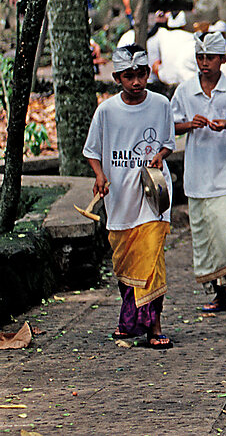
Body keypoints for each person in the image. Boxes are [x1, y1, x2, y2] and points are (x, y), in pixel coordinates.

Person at [82, 45, 175, 349]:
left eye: (141, 75)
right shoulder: (106, 111)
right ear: (117, 77)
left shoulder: (161, 104)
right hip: (119, 199)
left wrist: (160, 155)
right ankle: (131, 319)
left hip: (153, 198)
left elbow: (167, 142)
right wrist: (100, 176)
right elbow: (92, 152)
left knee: (152, 262)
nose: (136, 82)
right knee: (125, 263)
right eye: (129, 76)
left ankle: (155, 327)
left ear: (148, 74)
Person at [171, 32, 226, 313]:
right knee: (205, 237)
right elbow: (170, 126)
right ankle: (219, 292)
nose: (205, 63)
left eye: (211, 58)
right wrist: (190, 125)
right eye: (201, 58)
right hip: (198, 175)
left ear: (223, 60)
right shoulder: (184, 91)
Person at [156, 11, 198, 86]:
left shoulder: (162, 35)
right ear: (184, 25)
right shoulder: (191, 37)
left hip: (166, 80)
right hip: (185, 81)